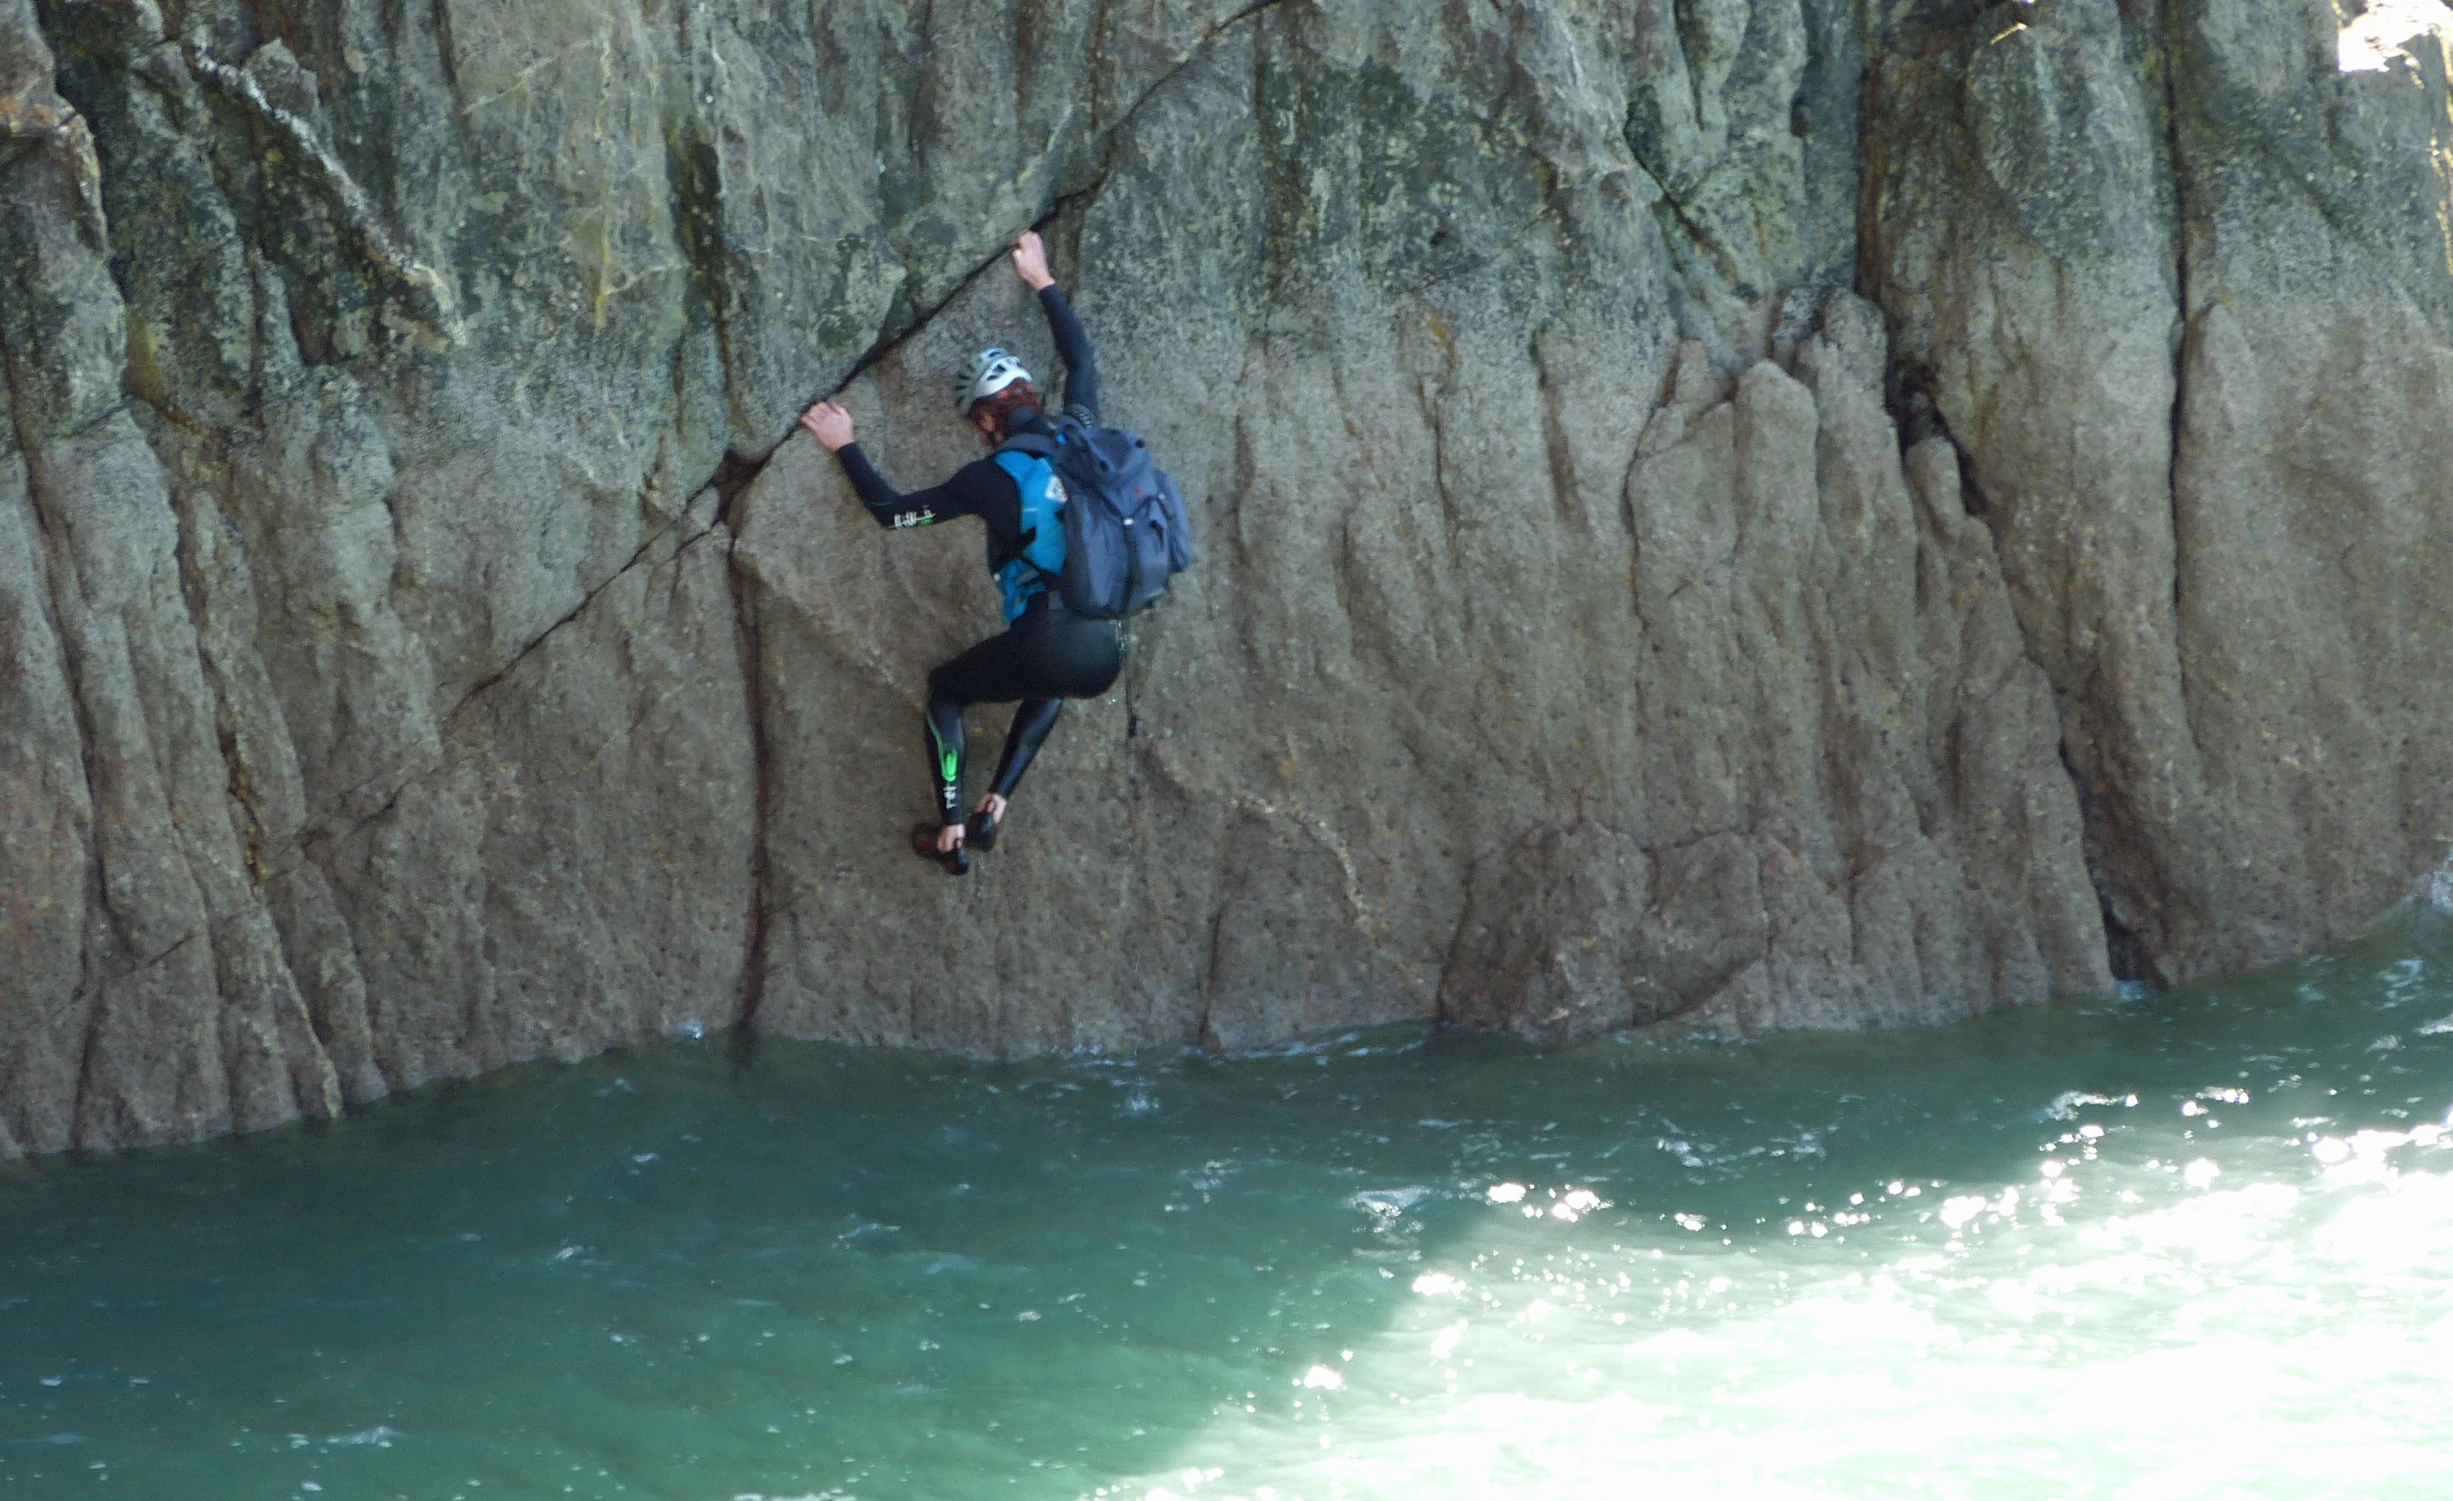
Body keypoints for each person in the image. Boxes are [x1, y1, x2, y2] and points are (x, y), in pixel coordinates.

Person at [799, 230, 1121, 875]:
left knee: (947, 692)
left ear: (985, 419)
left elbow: (893, 514)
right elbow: (1082, 364)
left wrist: (845, 446)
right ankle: (996, 802)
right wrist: (1042, 279)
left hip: (1047, 642)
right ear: (1029, 395)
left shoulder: (991, 477)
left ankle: (950, 828)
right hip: (1104, 652)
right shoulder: (1079, 433)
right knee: (1048, 678)